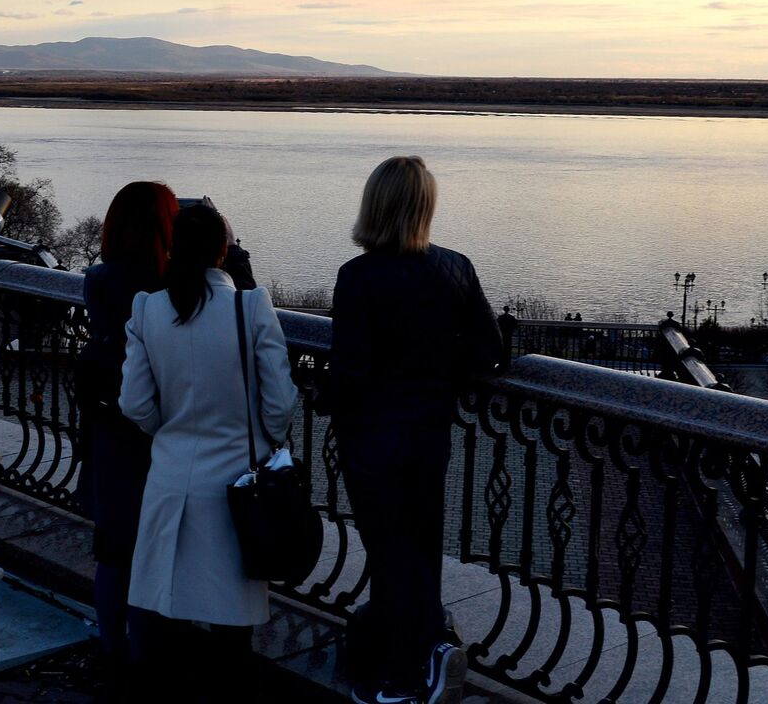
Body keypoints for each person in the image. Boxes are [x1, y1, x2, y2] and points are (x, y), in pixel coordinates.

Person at [331, 156, 504, 704]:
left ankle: (400, 675)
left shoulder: (356, 278)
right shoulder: (456, 268)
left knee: (386, 552)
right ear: (424, 207)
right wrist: (440, 364)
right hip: (428, 436)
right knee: (421, 546)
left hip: (370, 441)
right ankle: (419, 653)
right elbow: (491, 353)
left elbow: (350, 372)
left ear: (373, 205)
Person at [120, 202, 293, 698]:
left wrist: (169, 432)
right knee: (231, 629)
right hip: (236, 487)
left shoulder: (149, 309)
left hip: (171, 479)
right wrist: (258, 437)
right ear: (224, 250)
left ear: (174, 248)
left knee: (165, 609)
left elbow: (135, 403)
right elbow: (279, 404)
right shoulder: (250, 306)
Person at [75, 181, 178, 678]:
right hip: (166, 426)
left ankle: (113, 647)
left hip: (111, 427)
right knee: (158, 546)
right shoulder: (176, 284)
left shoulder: (100, 280)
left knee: (114, 549)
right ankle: (152, 650)